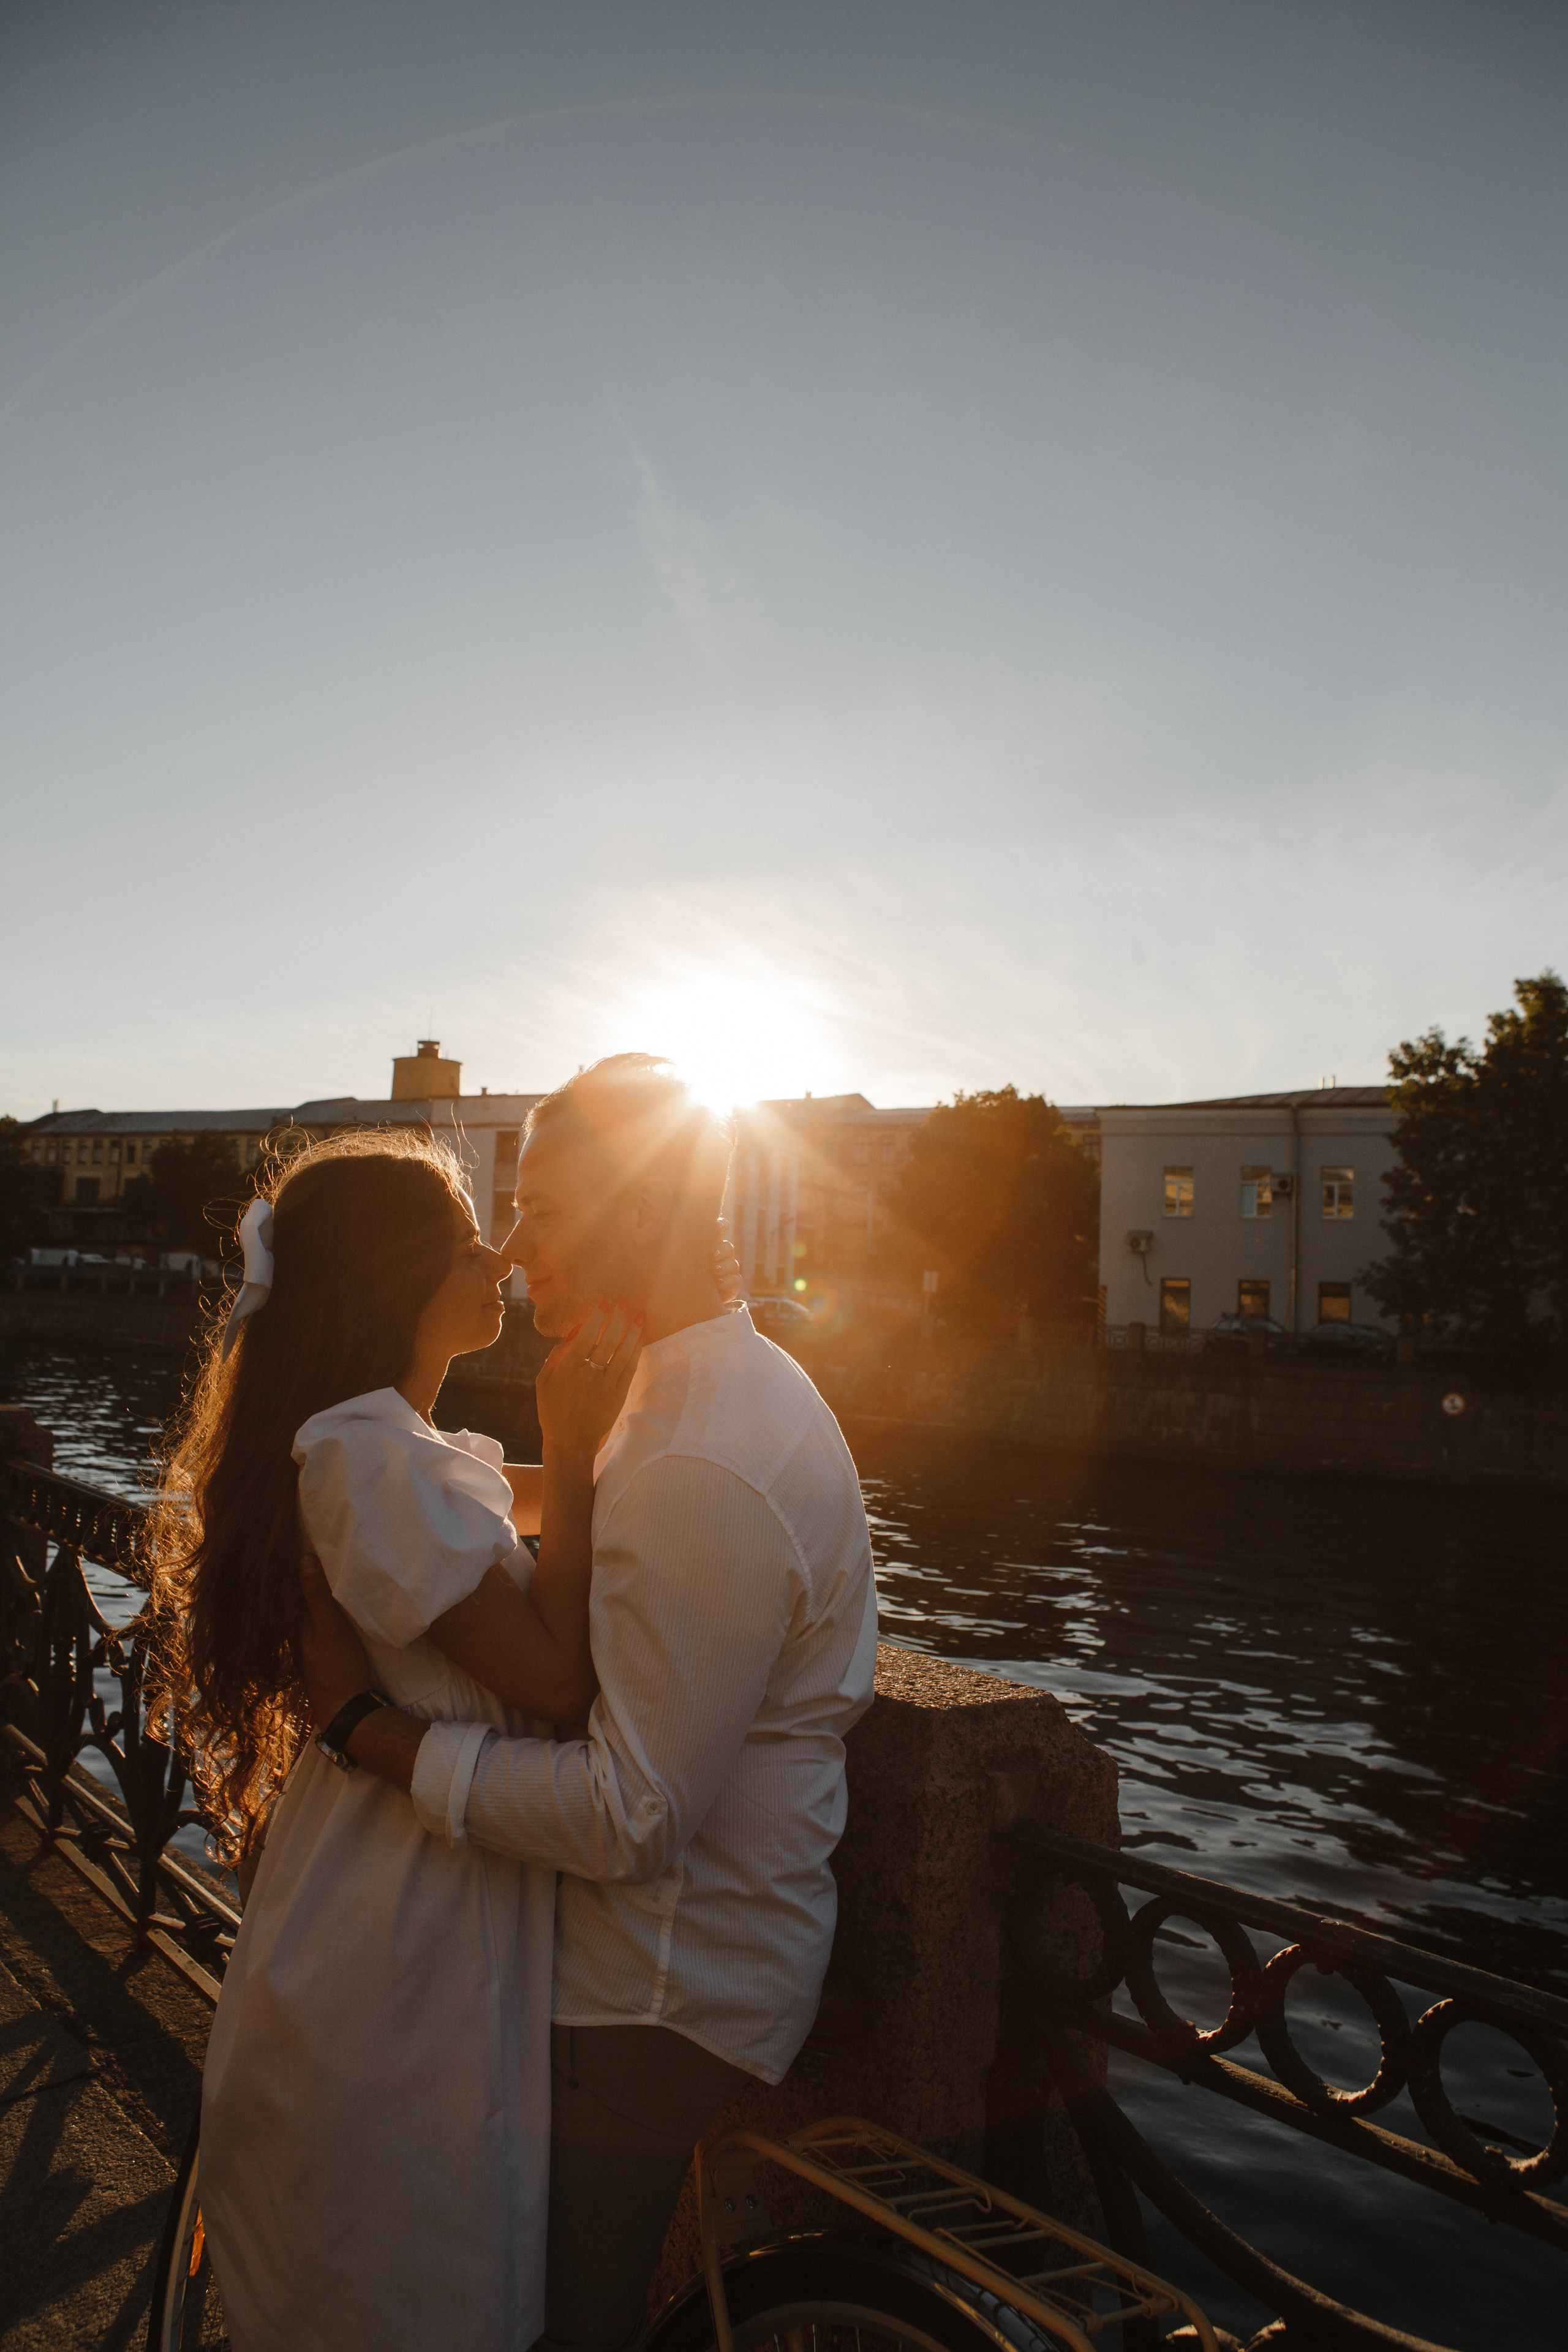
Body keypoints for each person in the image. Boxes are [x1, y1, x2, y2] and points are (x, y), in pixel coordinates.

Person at [298, 1055, 880, 2352]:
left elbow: (630, 1815)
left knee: (547, 2327)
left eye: (546, 1208)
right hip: (674, 1955)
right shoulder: (686, 1394)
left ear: (646, 1211)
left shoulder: (695, 1454)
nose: (510, 1249)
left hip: (654, 1989)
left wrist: (370, 1736)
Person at [147, 1128, 647, 2352]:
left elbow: (516, 1500)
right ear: (395, 1281)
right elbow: (558, 1677)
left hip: (394, 1876)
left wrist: (638, 1441)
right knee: (405, 2266)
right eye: (469, 1240)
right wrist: (576, 1449)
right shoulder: (372, 1462)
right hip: (403, 1918)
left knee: (382, 2264)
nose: (500, 1257)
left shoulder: (394, 1450)